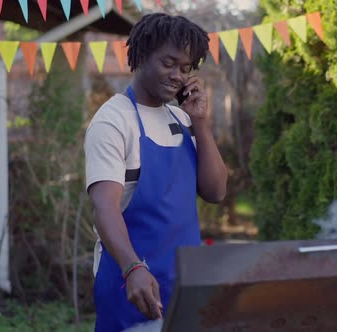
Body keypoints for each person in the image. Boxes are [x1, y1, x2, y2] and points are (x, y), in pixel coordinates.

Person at [84, 13, 228, 331]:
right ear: (142, 54)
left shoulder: (183, 119)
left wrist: (201, 123)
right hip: (131, 285)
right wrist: (132, 267)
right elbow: (104, 208)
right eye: (169, 63)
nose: (177, 75)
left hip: (184, 283)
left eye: (186, 68)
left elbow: (216, 191)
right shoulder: (113, 121)